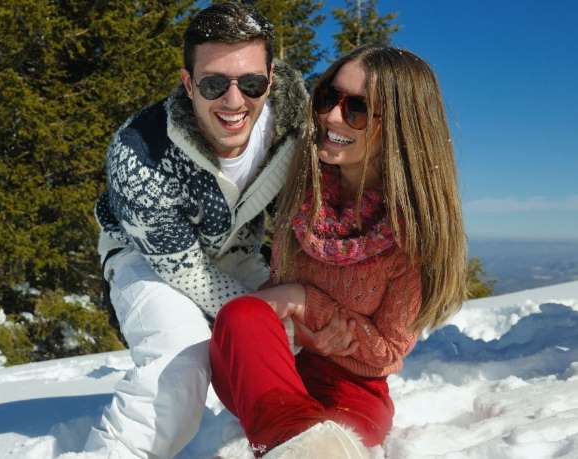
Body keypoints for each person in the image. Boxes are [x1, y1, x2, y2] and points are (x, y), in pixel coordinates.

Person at [208, 45, 469, 458]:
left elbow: (388, 351)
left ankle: (293, 442)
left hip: (351, 390)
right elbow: (271, 303)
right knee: (241, 315)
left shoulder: (411, 238)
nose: (330, 116)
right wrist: (298, 330)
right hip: (271, 366)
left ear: (401, 126)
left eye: (357, 109)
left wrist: (305, 303)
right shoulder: (304, 192)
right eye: (328, 97)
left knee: (326, 435)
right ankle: (293, 439)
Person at [85, 3, 308, 458]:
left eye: (250, 83)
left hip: (236, 250)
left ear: (271, 78)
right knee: (181, 362)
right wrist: (261, 316)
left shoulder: (294, 125)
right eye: (213, 84)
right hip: (147, 256)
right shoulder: (140, 152)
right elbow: (186, 272)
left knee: (306, 337)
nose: (233, 101)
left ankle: (301, 435)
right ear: (188, 84)